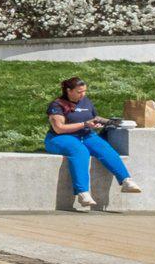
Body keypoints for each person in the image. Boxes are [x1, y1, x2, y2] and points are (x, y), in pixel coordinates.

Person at [44, 76, 142, 211]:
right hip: (61, 138)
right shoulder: (57, 105)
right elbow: (59, 128)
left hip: (87, 134)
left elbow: (94, 118)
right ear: (69, 91)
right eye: (79, 92)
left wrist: (111, 122)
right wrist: (84, 124)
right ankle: (82, 192)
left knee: (104, 148)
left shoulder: (85, 101)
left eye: (84, 91)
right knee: (79, 151)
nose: (83, 94)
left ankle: (126, 180)